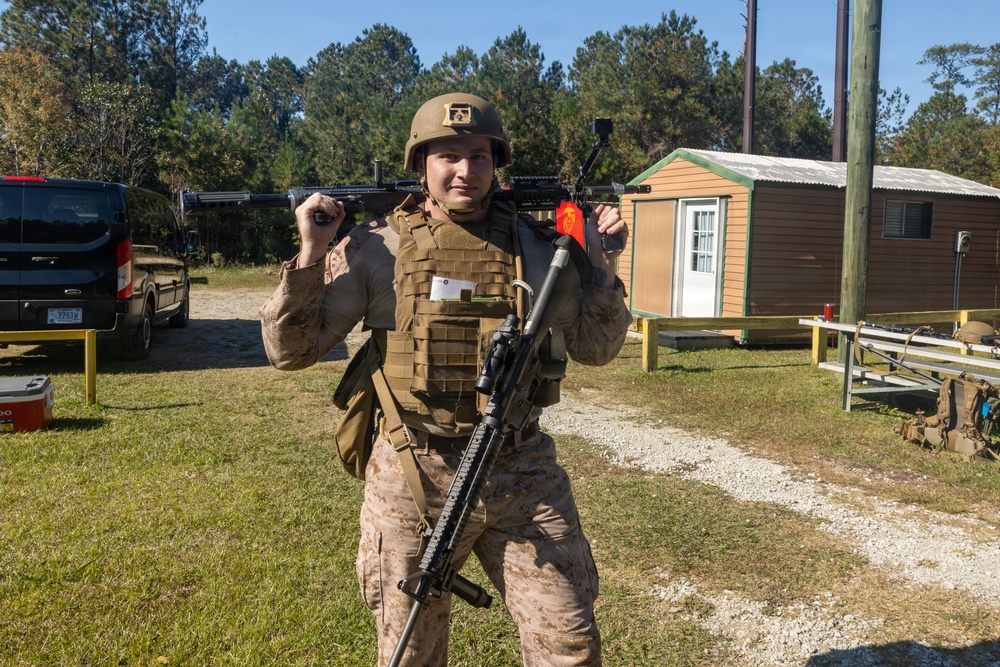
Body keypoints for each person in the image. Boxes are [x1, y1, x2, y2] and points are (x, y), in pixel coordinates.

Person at [260, 92, 633, 666]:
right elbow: (290, 351)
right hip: (413, 473)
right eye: (448, 156)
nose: (465, 170)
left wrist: (603, 264)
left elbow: (596, 348)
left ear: (496, 163)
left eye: (479, 156)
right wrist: (312, 251)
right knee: (410, 652)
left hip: (521, 470)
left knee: (570, 645)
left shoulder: (538, 249)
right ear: (420, 164)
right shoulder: (375, 248)